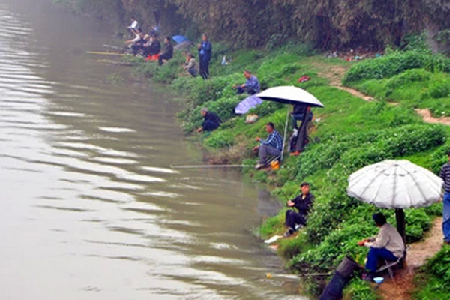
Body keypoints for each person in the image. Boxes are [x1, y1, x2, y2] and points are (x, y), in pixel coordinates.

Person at [357, 213, 405, 280]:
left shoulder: (384, 229)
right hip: (398, 251)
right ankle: (371, 269)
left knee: (374, 250)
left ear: (376, 223)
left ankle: (371, 273)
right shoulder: (388, 226)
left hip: (395, 254)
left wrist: (365, 243)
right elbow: (380, 237)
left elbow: (379, 245)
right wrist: (370, 239)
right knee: (374, 249)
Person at [440, 150, 450, 245]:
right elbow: (441, 180)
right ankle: (447, 237)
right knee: (447, 216)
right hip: (447, 194)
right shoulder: (445, 167)